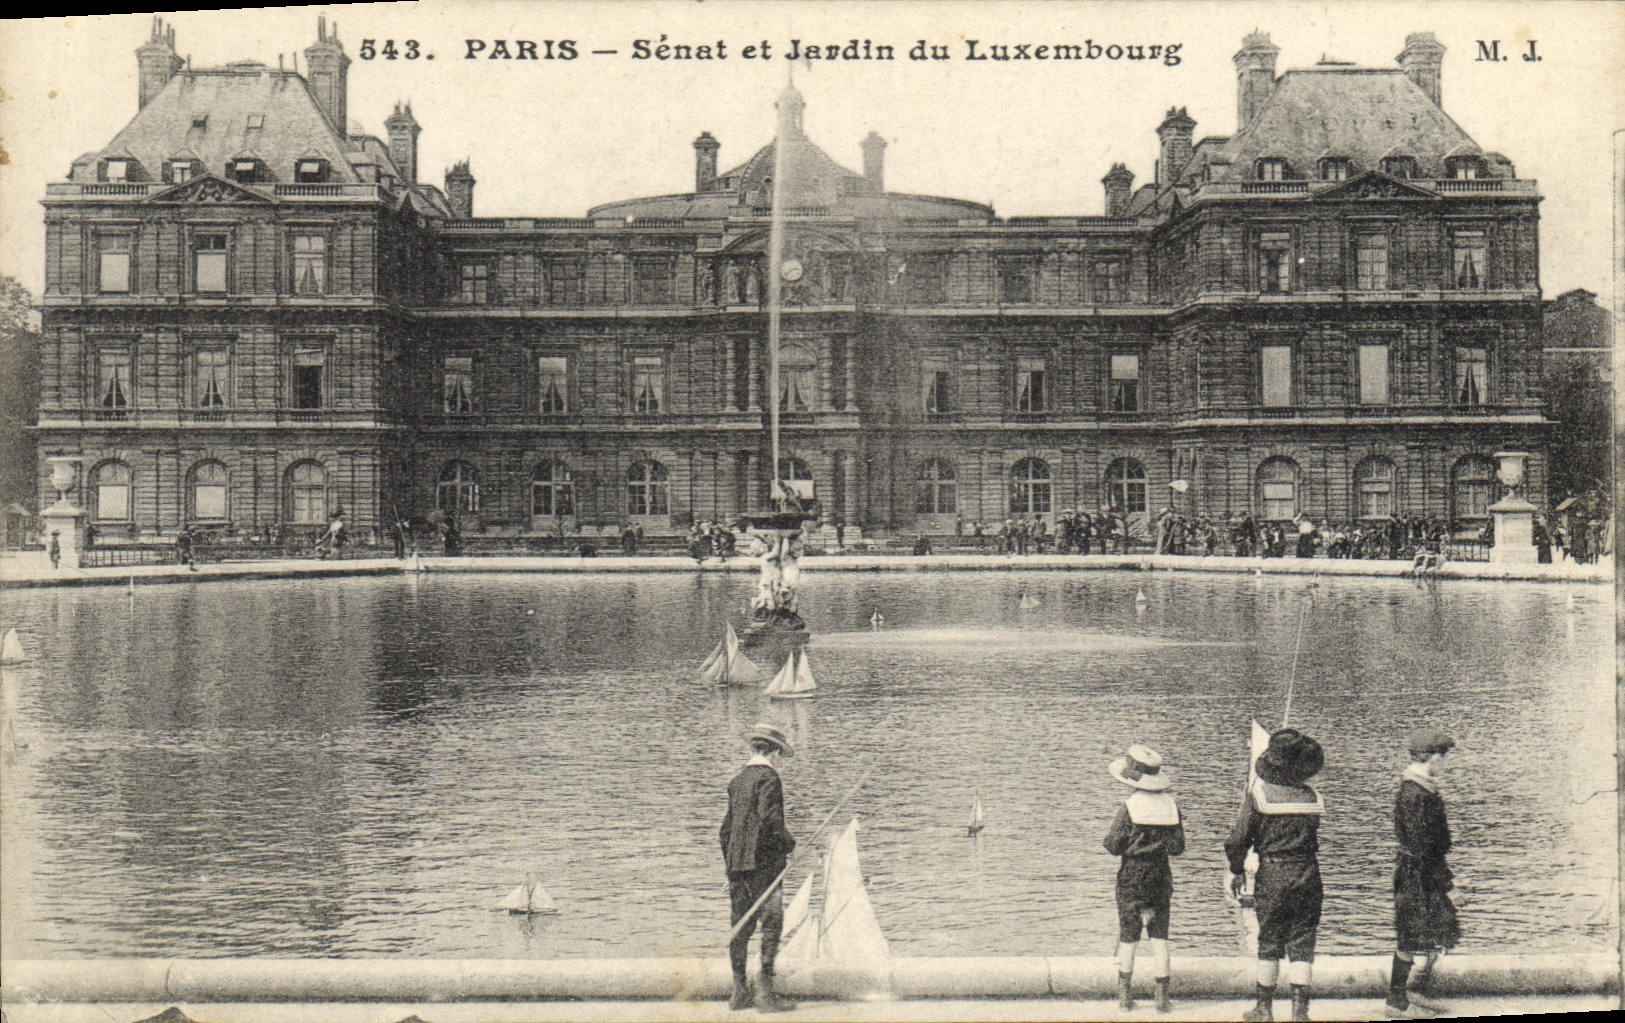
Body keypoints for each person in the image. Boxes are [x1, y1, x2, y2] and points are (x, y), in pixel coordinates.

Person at [1225, 728, 1326, 1023]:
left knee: (1269, 940)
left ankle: (1264, 1009)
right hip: (1308, 872)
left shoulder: (1258, 795)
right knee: (1303, 941)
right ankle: (1299, 1012)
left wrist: (1236, 870)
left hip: (1275, 872)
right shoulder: (1311, 797)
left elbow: (1236, 841)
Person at [720, 722, 798, 1013]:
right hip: (764, 866)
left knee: (740, 926)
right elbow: (770, 822)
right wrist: (790, 845)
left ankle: (739, 992)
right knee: (772, 922)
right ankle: (766, 994)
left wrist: (730, 868)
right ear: (774, 752)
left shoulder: (737, 780)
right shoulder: (769, 779)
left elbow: (725, 831)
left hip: (738, 867)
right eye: (780, 754)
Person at [1104, 744, 1186, 1013]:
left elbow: (1112, 844)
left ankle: (1125, 998)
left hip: (1132, 875)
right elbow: (1178, 847)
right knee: (1160, 938)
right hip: (1160, 875)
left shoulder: (1129, 807)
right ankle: (1162, 999)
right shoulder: (1171, 807)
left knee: (1129, 937)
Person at [1386, 729, 1460, 1019]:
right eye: (1443, 757)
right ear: (1431, 758)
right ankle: (1396, 1000)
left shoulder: (1421, 788)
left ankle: (1412, 993)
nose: (1444, 763)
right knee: (1410, 934)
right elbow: (1422, 847)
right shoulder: (1415, 794)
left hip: (1422, 870)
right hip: (1416, 874)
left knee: (1427, 931)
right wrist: (1447, 884)